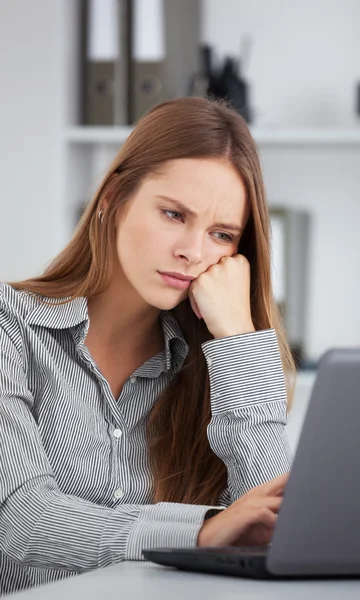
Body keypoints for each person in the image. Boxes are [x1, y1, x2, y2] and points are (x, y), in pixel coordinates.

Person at [0, 97, 295, 595]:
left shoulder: (216, 365)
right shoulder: (12, 329)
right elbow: (17, 515)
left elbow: (267, 526)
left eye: (221, 234)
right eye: (174, 214)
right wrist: (198, 530)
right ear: (114, 197)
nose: (193, 251)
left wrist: (240, 338)